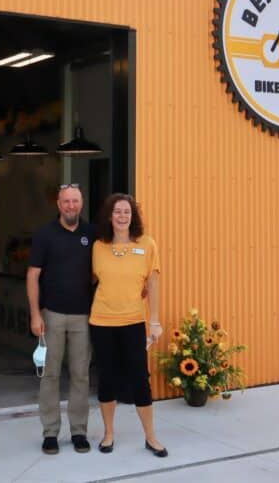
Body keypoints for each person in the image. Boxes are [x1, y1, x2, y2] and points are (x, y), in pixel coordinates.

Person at [89, 193, 167, 457]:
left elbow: (153, 284)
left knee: (139, 380)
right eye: (117, 212)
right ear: (109, 216)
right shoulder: (98, 246)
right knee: (106, 378)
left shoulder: (147, 245)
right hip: (101, 321)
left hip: (133, 321)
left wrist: (154, 320)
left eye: (127, 212)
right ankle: (109, 434)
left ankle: (151, 436)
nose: (122, 216)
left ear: (133, 216)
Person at [27, 184, 94, 455]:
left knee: (81, 376)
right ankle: (50, 433)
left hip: (83, 317)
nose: (71, 206)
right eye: (66, 201)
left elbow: (103, 269)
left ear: (82, 202)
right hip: (51, 315)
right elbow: (33, 275)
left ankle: (79, 431)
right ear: (58, 204)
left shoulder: (92, 233)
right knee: (50, 375)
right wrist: (34, 314)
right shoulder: (45, 235)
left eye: (75, 201)